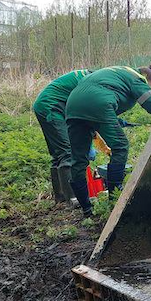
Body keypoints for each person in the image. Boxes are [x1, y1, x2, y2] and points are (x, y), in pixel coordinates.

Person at [64, 63, 151, 216]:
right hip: (98, 102)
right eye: (150, 87)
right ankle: (114, 200)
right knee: (120, 146)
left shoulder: (117, 71)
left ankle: (86, 210)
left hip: (72, 105)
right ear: (147, 78)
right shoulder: (137, 78)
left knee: (78, 159)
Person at [32, 69, 92, 202]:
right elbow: (85, 113)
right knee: (67, 153)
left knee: (57, 154)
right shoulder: (89, 83)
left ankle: (61, 197)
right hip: (51, 107)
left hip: (44, 105)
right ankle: (73, 198)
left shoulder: (85, 77)